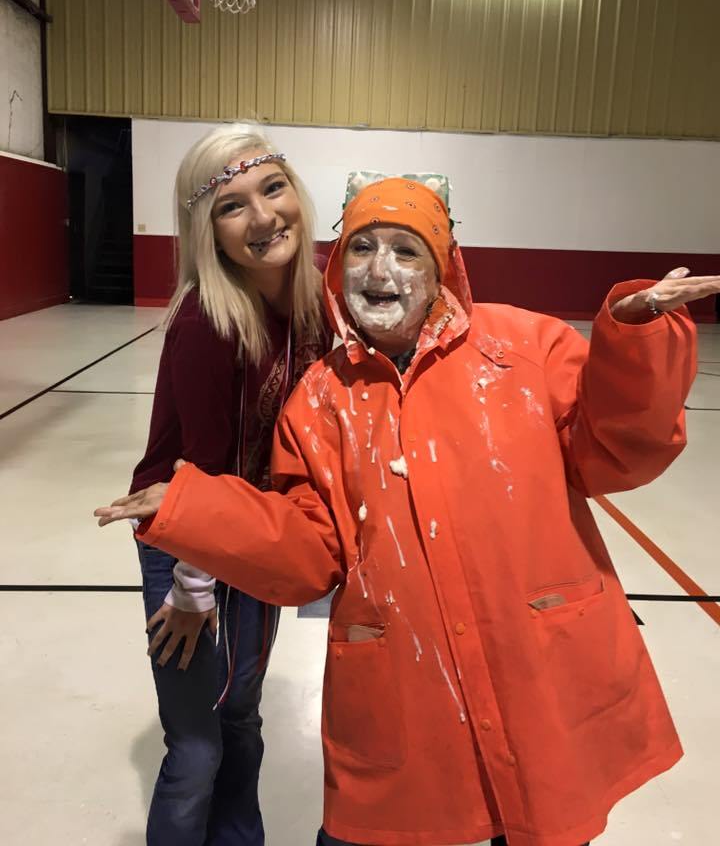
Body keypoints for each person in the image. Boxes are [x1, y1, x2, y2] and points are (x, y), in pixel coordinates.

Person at [96, 175, 720, 846]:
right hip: (407, 687)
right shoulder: (320, 400)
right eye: (362, 247)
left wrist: (636, 341)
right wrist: (198, 511)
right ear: (337, 268)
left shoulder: (525, 348)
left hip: (536, 665)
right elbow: (311, 554)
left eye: (406, 249)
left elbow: (614, 456)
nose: (381, 268)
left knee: (543, 813)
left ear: (444, 266)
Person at [125, 123, 330, 846]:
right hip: (186, 535)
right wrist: (190, 589)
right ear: (205, 231)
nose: (264, 215)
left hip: (255, 530)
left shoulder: (314, 307)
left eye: (272, 188)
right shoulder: (209, 321)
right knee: (198, 745)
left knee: (241, 718)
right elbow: (200, 471)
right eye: (232, 205)